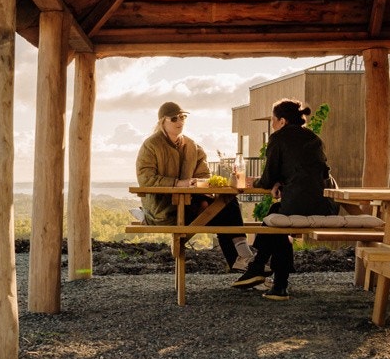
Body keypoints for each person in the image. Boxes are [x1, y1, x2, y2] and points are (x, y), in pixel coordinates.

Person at [236, 98, 335, 300]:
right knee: (276, 215)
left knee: (277, 223)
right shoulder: (314, 139)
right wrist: (282, 183)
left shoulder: (279, 138)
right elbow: (308, 173)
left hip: (301, 204)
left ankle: (265, 273)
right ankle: (270, 277)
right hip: (327, 204)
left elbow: (268, 178)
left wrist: (254, 182)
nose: (272, 125)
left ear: (282, 121)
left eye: (273, 121)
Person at [135, 101, 245, 271]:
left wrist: (200, 184)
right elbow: (146, 179)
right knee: (223, 212)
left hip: (191, 204)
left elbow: (204, 175)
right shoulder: (151, 145)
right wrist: (178, 184)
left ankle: (243, 260)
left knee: (227, 203)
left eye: (183, 117)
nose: (180, 121)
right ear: (162, 122)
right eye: (174, 118)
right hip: (163, 210)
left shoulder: (192, 146)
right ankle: (242, 260)